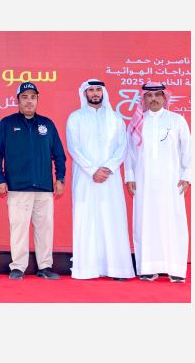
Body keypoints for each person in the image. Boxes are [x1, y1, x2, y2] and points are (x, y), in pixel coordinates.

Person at [0, 82, 66, 280]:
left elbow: (59, 154)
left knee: (45, 229)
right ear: (18, 100)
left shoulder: (47, 124)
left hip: (44, 188)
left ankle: (45, 266)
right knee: (19, 229)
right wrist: (0, 178)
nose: (29, 101)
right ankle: (18, 267)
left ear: (37, 100)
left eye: (33, 97)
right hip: (18, 187)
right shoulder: (7, 124)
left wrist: (60, 178)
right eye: (24, 97)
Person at [65, 80, 134, 280]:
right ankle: (87, 269)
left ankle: (118, 269)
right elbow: (73, 147)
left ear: (103, 92)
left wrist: (108, 168)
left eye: (98, 90)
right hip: (85, 178)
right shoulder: (75, 118)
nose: (95, 93)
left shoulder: (116, 119)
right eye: (91, 90)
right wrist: (92, 170)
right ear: (84, 93)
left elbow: (122, 147)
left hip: (110, 178)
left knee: (113, 219)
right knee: (86, 219)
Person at [125, 82, 191, 282]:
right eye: (149, 95)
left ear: (164, 97)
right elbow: (129, 152)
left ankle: (175, 268)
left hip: (172, 182)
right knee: (145, 222)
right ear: (144, 99)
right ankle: (148, 267)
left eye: (157, 95)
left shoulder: (177, 120)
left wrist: (187, 175)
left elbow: (188, 150)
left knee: (174, 222)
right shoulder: (137, 122)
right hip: (143, 181)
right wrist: (130, 176)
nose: (153, 99)